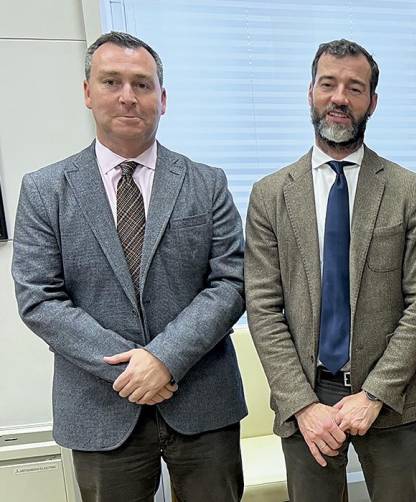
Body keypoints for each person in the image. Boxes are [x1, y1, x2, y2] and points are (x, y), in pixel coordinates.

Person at [11, 32, 247, 501]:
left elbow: (231, 282)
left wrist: (164, 359)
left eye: (142, 84)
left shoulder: (207, 183)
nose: (128, 96)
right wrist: (130, 368)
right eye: (111, 81)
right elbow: (39, 298)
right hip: (99, 408)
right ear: (86, 92)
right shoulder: (44, 191)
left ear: (163, 97)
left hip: (202, 401)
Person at [244, 39, 416, 502]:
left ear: (372, 101)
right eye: (328, 84)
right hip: (305, 401)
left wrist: (373, 394)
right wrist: (303, 404)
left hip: (391, 400)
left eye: (355, 88)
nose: (340, 97)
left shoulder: (408, 191)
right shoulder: (270, 195)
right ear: (310, 92)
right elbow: (263, 308)